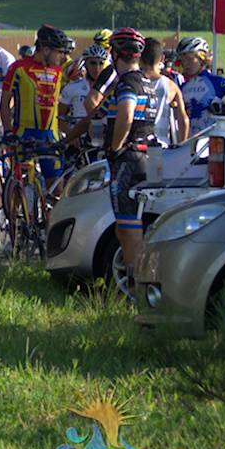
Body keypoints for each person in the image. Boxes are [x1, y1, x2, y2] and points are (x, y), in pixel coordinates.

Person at [92, 28, 156, 275]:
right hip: (145, 156)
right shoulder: (146, 81)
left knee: (129, 231)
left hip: (128, 159)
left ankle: (137, 286)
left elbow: (126, 113)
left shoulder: (127, 82)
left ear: (116, 54)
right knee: (126, 227)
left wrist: (116, 146)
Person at [0, 25, 70, 189]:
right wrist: (8, 131)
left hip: (50, 136)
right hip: (23, 135)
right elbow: (4, 102)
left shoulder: (58, 71)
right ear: (45, 50)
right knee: (19, 187)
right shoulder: (19, 68)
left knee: (57, 188)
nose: (62, 56)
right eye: (59, 52)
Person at [174, 37, 225, 136]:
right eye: (182, 60)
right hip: (188, 142)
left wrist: (221, 107)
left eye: (189, 59)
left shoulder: (218, 82)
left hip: (210, 140)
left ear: (202, 58)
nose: (185, 64)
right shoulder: (183, 86)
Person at [143, 38, 190, 145]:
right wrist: (181, 147)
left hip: (138, 146)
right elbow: (183, 121)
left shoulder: (133, 81)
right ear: (162, 58)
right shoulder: (171, 86)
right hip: (161, 145)